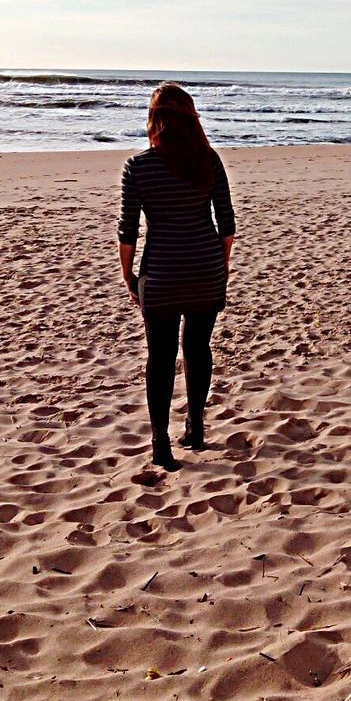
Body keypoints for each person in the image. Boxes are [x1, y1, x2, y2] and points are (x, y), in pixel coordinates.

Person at [117, 82, 236, 471]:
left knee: (161, 357)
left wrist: (129, 275)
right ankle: (197, 427)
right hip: (206, 270)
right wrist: (220, 264)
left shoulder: (139, 167)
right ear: (192, 118)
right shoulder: (209, 160)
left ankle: (160, 444)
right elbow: (227, 225)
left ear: (154, 120)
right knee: (198, 349)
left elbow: (128, 231)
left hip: (162, 274)